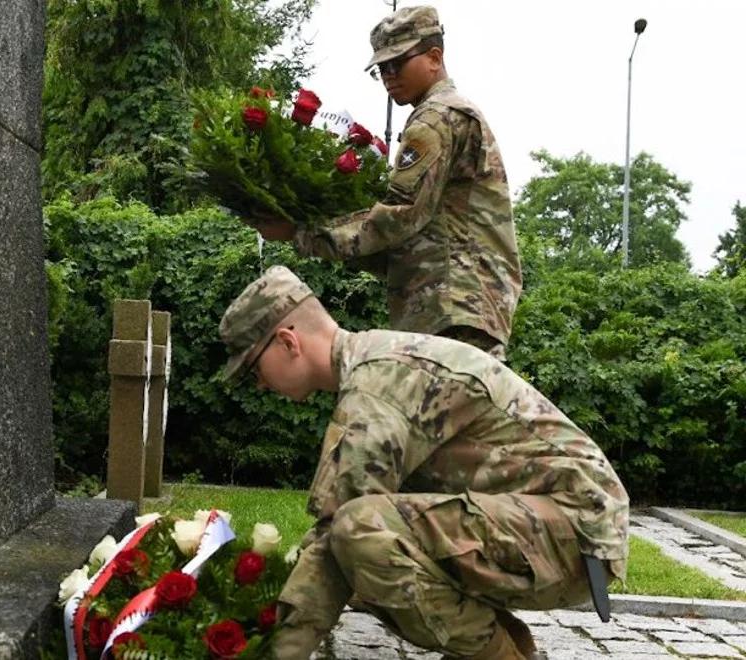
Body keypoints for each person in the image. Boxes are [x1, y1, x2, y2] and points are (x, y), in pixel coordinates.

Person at [219, 266, 629, 660]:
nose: (258, 383)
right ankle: (506, 642)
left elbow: (334, 538)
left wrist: (266, 649)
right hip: (558, 531)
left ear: (288, 342)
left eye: (254, 367)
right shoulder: (376, 368)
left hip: (574, 534)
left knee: (360, 533)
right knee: (369, 552)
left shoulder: (378, 385)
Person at [253, 6, 521, 360]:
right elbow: (417, 234)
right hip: (460, 305)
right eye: (381, 68)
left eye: (397, 63)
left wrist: (299, 232)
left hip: (451, 306)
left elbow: (400, 216)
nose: (388, 75)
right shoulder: (449, 113)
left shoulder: (435, 118)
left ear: (434, 57)